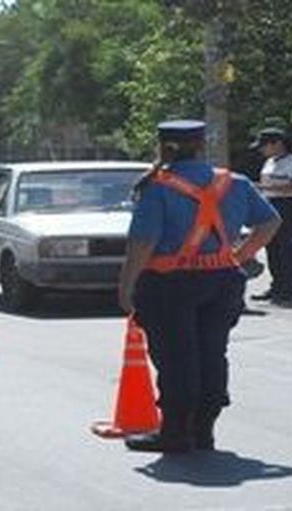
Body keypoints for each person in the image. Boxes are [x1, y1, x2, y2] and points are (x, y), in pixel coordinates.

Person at [118, 120, 282, 453]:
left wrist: (127, 286)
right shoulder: (233, 183)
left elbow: (143, 243)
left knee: (176, 357)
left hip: (169, 284)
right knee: (212, 352)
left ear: (164, 148)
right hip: (222, 281)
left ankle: (176, 433)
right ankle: (203, 431)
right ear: (201, 146)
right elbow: (270, 221)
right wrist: (239, 255)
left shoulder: (158, 187)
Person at [250, 127, 292, 307]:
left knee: (291, 251)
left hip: (288, 207)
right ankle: (277, 287)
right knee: (273, 249)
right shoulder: (270, 163)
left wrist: (266, 189)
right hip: (271, 205)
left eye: (265, 145)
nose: (262, 150)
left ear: (278, 144)